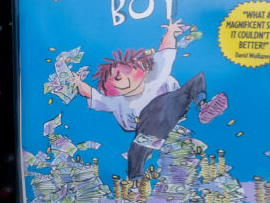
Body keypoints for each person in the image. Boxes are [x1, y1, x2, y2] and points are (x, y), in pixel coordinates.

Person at [70, 19, 227, 179]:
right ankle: (136, 179)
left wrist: (170, 32)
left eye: (127, 72)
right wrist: (78, 83)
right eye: (117, 78)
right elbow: (92, 94)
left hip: (174, 106)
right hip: (149, 125)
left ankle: (203, 106)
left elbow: (165, 51)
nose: (124, 78)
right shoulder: (117, 102)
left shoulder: (155, 76)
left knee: (196, 80)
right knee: (136, 151)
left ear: (141, 70)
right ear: (112, 89)